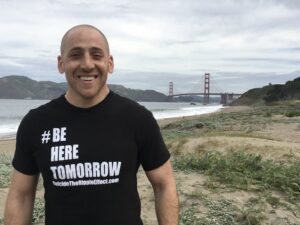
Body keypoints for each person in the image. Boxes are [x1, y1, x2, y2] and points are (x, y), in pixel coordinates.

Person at [4, 24, 179, 225]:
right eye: (76, 55)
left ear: (110, 63)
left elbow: (164, 185)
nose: (87, 64)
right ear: (61, 63)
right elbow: (21, 195)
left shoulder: (137, 118)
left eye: (96, 55)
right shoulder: (35, 123)